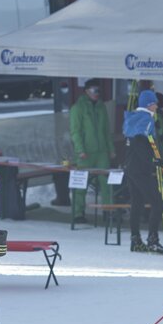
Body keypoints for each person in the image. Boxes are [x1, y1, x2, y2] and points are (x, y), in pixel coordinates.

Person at [123, 89, 163, 255]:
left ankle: (135, 239)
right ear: (150, 104)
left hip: (130, 167)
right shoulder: (147, 119)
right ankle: (153, 240)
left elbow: (131, 140)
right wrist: (153, 160)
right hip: (141, 169)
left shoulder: (131, 117)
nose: (157, 106)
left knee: (136, 203)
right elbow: (139, 141)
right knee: (158, 203)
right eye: (155, 103)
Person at [69, 78, 115, 224]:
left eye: (99, 91)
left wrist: (111, 149)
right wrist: (80, 150)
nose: (97, 94)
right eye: (94, 91)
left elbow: (106, 131)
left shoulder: (101, 107)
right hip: (86, 153)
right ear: (86, 91)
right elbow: (75, 132)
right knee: (81, 183)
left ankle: (109, 211)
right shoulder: (77, 108)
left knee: (106, 183)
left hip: (101, 152)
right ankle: (77, 213)